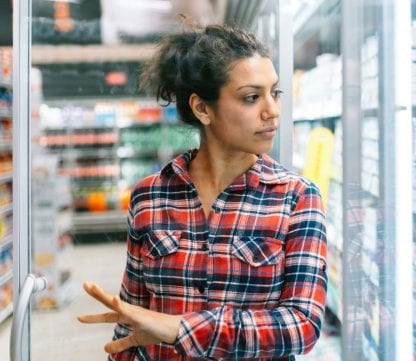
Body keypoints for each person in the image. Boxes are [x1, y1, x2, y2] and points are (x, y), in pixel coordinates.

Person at [78, 22, 328, 360]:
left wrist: (180, 328)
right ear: (202, 108)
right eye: (252, 97)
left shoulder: (296, 197)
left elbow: (302, 325)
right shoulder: (150, 197)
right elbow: (132, 319)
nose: (273, 111)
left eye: (275, 93)